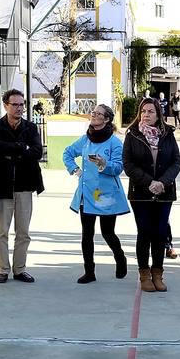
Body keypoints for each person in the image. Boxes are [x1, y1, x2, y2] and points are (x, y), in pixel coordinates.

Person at [64, 103, 129, 283]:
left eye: (98, 114)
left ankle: (120, 258)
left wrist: (103, 164)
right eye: (93, 112)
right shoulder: (85, 139)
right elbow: (67, 153)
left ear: (107, 119)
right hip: (87, 193)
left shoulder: (115, 142)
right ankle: (89, 271)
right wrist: (75, 170)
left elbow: (118, 168)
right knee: (87, 234)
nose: (93, 115)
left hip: (106, 195)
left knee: (108, 232)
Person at [123, 97, 180, 293]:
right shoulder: (133, 134)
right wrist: (150, 182)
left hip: (164, 193)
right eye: (143, 111)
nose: (146, 115)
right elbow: (128, 164)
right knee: (145, 232)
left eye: (150, 111)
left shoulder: (168, 134)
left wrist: (162, 182)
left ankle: (158, 273)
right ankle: (144, 274)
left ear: (158, 115)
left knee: (160, 233)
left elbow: (176, 162)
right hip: (140, 193)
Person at [0, 88, 44, 284]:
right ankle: (2, 269)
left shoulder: (30, 128)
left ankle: (19, 269)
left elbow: (37, 152)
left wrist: (13, 152)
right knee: (1, 231)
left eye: (22, 104)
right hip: (3, 185)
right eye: (15, 104)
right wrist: (22, 148)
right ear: (6, 105)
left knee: (23, 232)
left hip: (25, 185)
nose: (19, 108)